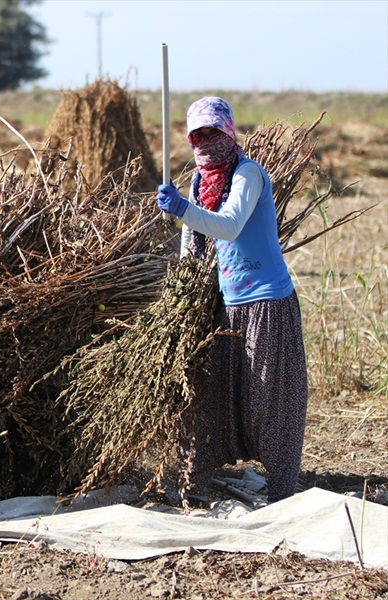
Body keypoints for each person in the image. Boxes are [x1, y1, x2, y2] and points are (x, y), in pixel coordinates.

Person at [156, 97, 308, 505]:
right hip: (227, 303)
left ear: (229, 133)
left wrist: (182, 209)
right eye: (197, 135)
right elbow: (196, 242)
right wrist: (186, 286)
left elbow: (228, 226)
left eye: (213, 132)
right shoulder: (197, 182)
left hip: (266, 302)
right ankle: (196, 485)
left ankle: (281, 491)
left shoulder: (248, 174)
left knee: (266, 397)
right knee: (214, 395)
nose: (206, 142)